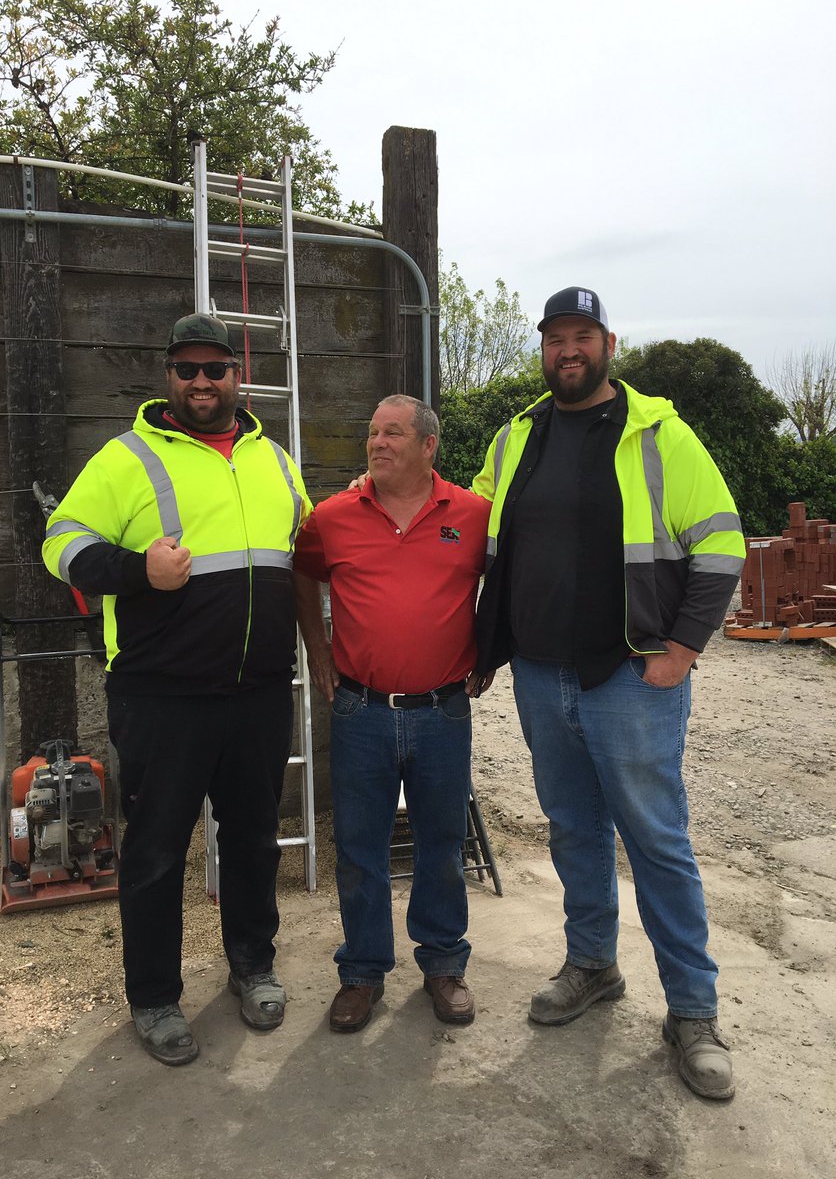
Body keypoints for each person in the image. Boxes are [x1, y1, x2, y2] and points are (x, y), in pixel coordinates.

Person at [472, 287, 745, 1100]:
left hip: (631, 677)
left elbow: (723, 546)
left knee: (658, 842)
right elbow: (480, 537)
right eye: (556, 338)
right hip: (542, 673)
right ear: (544, 349)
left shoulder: (660, 433)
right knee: (572, 831)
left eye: (582, 336)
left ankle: (694, 1013)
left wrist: (683, 650)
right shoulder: (518, 434)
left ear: (608, 343)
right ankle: (593, 966)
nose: (568, 350)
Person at [42, 313, 311, 1066]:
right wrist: (136, 572)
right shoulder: (126, 458)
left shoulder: (276, 462)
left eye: (215, 368)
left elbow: (309, 545)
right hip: (160, 697)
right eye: (187, 368)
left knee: (254, 840)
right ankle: (155, 997)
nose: (201, 381)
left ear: (238, 376)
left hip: (257, 692)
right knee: (157, 852)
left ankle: (252, 967)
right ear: (168, 376)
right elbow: (60, 542)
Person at [293, 395, 491, 1033]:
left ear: (428, 445)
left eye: (394, 434)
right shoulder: (332, 517)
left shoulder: (473, 515)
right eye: (372, 432)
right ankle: (362, 973)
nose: (377, 444)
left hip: (443, 712)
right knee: (359, 850)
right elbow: (303, 577)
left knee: (440, 846)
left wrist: (495, 648)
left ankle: (442, 966)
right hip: (361, 711)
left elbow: (511, 580)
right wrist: (318, 653)